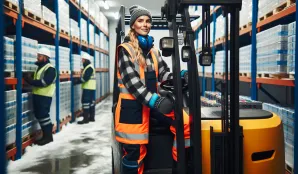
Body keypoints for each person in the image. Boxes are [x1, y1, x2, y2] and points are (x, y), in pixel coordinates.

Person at [114, 5, 190, 174]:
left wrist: (180, 76)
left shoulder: (154, 51)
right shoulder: (125, 50)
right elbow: (133, 84)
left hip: (152, 106)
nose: (145, 24)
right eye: (140, 21)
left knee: (185, 123)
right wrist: (156, 101)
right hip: (133, 111)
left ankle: (180, 166)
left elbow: (164, 75)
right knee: (135, 155)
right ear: (133, 24)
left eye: (148, 21)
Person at [24, 47, 56, 146]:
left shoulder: (50, 69)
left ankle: (48, 137)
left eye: (40, 56)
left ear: (45, 58)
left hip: (44, 96)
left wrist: (31, 81)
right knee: (39, 115)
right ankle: (46, 135)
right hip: (38, 95)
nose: (37, 58)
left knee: (43, 116)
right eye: (38, 56)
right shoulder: (40, 67)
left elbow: (45, 82)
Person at [78, 53, 96, 124]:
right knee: (90, 103)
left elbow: (85, 78)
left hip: (88, 88)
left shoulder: (89, 67)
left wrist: (77, 81)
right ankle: (91, 117)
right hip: (90, 88)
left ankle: (85, 119)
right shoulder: (89, 67)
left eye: (82, 60)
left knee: (85, 102)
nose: (82, 61)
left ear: (86, 60)